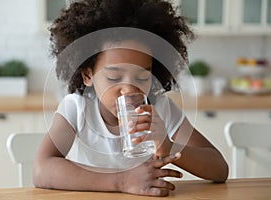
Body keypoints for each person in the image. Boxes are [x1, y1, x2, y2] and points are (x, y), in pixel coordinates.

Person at [33, 0, 228, 197]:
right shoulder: (77, 108)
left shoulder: (161, 109)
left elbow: (219, 169)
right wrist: (122, 181)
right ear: (88, 75)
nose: (128, 89)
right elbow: (42, 170)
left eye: (143, 77)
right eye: (114, 77)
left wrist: (168, 146)